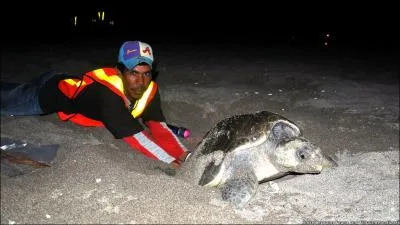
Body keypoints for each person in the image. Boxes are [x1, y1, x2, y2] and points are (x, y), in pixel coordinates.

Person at [1, 40, 191, 168]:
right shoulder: (107, 94)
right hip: (48, 94)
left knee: (15, 90)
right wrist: (170, 161)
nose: (141, 81)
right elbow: (137, 138)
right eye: (134, 73)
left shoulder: (150, 89)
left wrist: (185, 156)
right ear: (119, 71)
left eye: (146, 73)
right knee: (7, 104)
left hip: (65, 80)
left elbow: (158, 126)